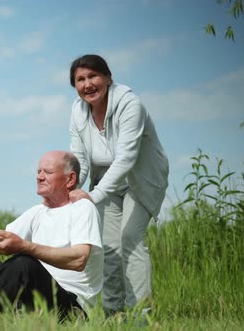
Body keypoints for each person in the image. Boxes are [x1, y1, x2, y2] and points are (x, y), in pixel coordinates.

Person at [0, 150, 103, 320]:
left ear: (70, 179)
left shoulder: (82, 208)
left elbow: (79, 259)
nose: (40, 177)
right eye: (39, 172)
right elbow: (1, 240)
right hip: (32, 301)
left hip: (70, 307)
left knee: (24, 263)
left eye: (48, 172)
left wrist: (26, 247)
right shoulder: (38, 212)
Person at [67, 54, 169, 317]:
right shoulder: (78, 112)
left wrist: (92, 196)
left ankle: (140, 315)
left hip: (141, 179)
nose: (88, 84)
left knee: (130, 238)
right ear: (75, 85)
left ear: (108, 78)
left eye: (93, 76)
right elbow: (80, 159)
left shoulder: (130, 105)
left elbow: (126, 158)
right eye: (80, 79)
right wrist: (72, 189)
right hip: (107, 184)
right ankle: (114, 314)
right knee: (109, 247)